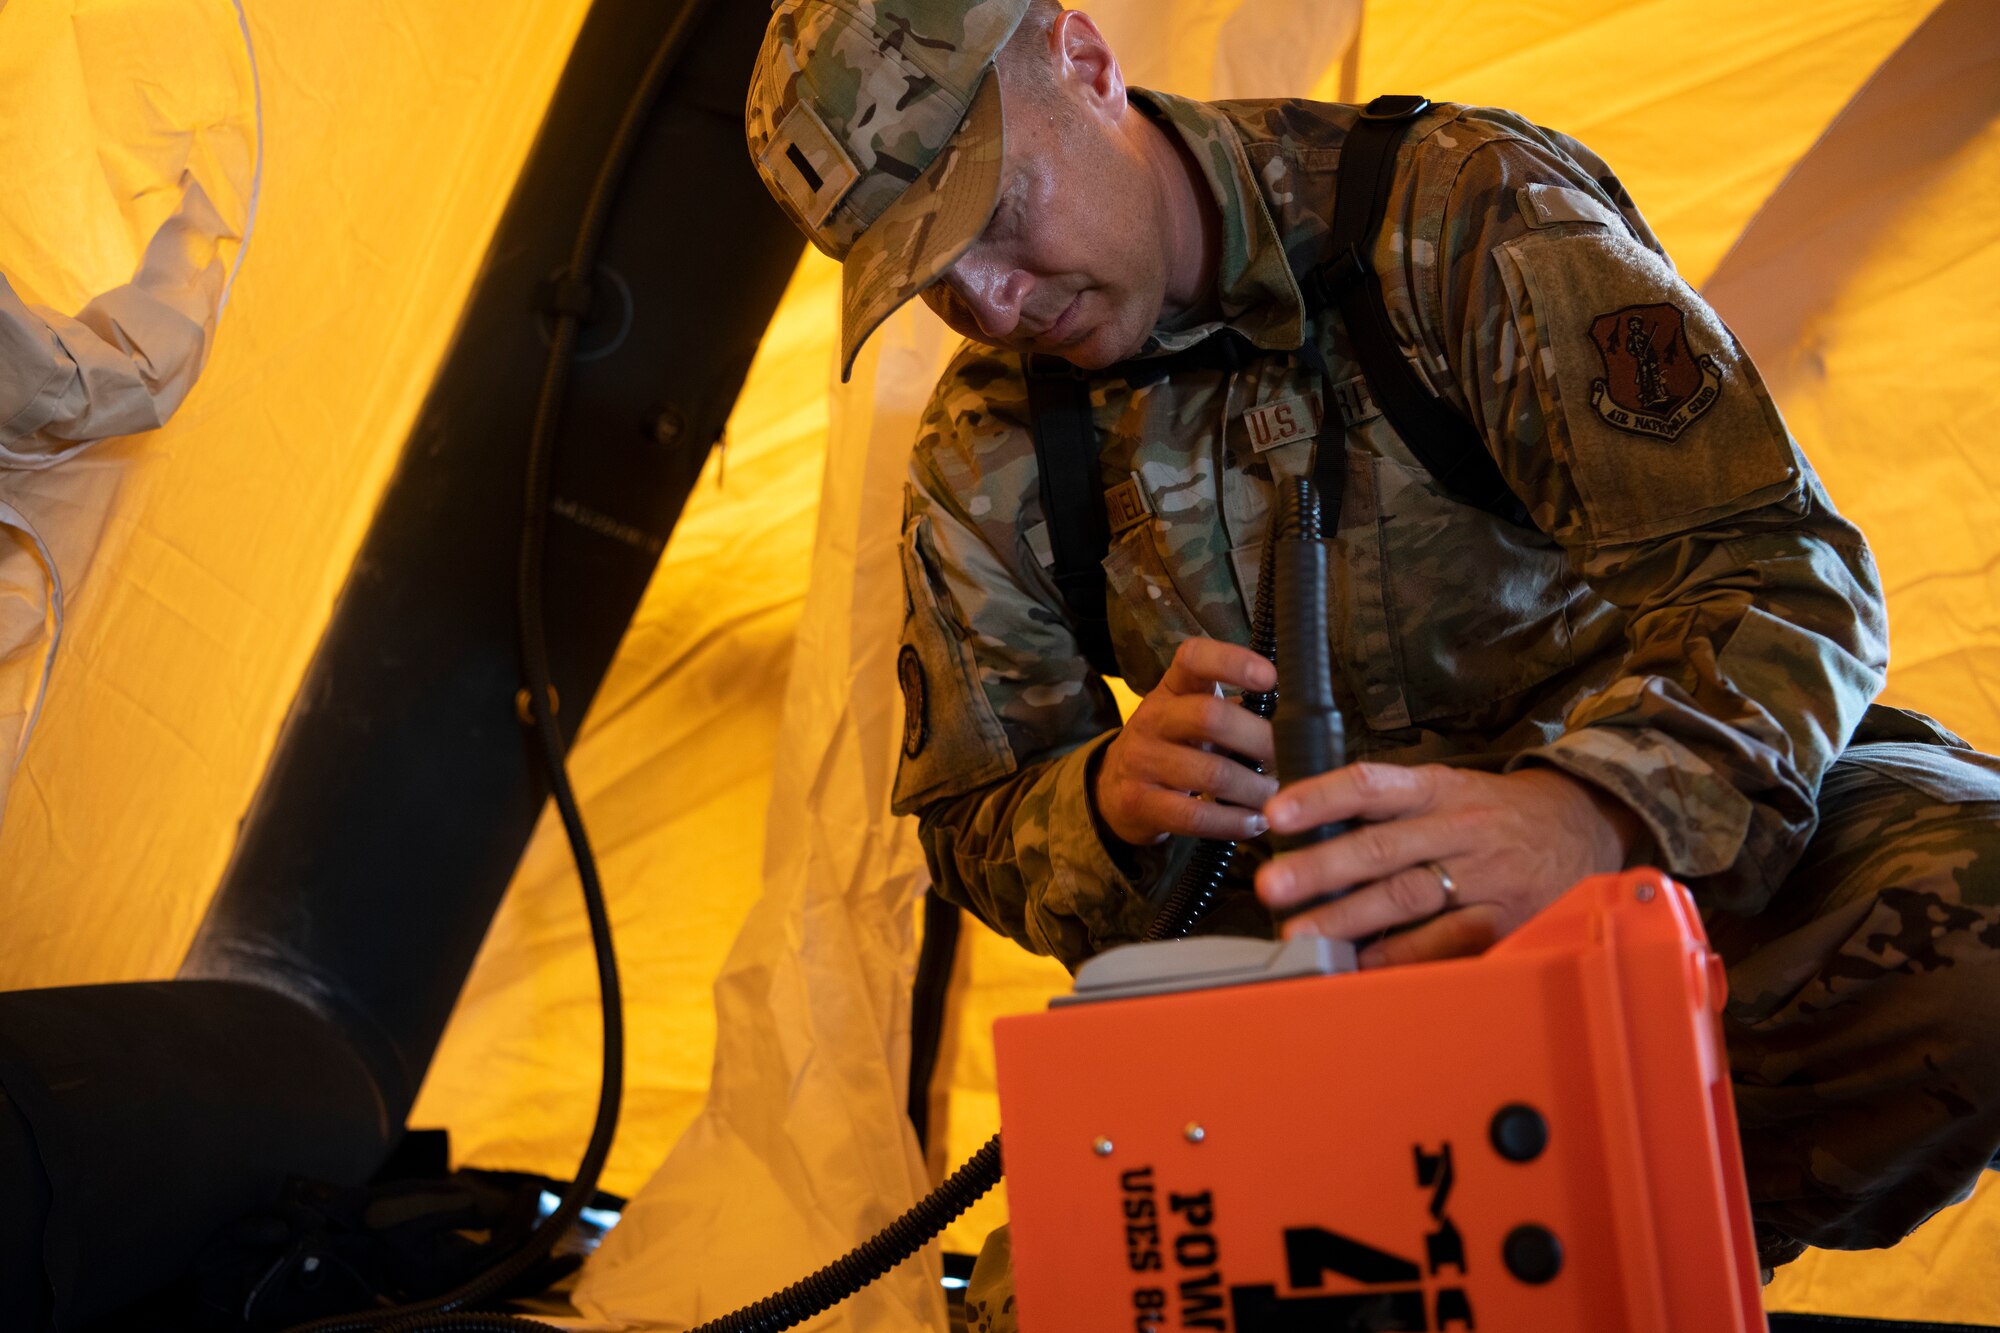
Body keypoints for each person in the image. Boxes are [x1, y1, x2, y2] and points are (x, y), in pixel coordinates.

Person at [745, 0, 2000, 1321]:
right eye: (928, 274)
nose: (989, 298)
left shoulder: (1458, 216)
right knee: (1056, 1304)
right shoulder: (984, 450)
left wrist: (1598, 816)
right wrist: (1106, 803)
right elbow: (970, 817)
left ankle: (1617, 1255)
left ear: (1088, 63)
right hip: (1307, 996)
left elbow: (1779, 572)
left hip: (1652, 909)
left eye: (993, 212)